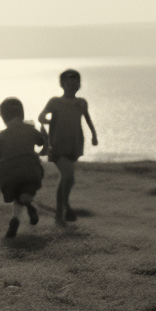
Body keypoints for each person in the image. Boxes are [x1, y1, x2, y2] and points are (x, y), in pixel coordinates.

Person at [38, 69, 98, 224]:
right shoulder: (55, 102)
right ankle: (64, 209)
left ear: (79, 85)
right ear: (62, 84)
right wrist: (52, 122)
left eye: (75, 83)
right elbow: (41, 117)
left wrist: (94, 135)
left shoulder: (81, 102)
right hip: (57, 144)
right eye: (68, 83)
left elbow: (88, 119)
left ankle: (61, 212)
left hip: (74, 143)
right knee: (68, 176)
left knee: (68, 180)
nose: (72, 86)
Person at [0, 97, 49, 238]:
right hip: (30, 169)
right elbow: (43, 144)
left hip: (8, 174)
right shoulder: (30, 129)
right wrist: (44, 135)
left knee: (18, 193)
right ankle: (27, 208)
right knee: (25, 192)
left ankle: (16, 219)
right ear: (21, 114)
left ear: (3, 117)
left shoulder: (0, 136)